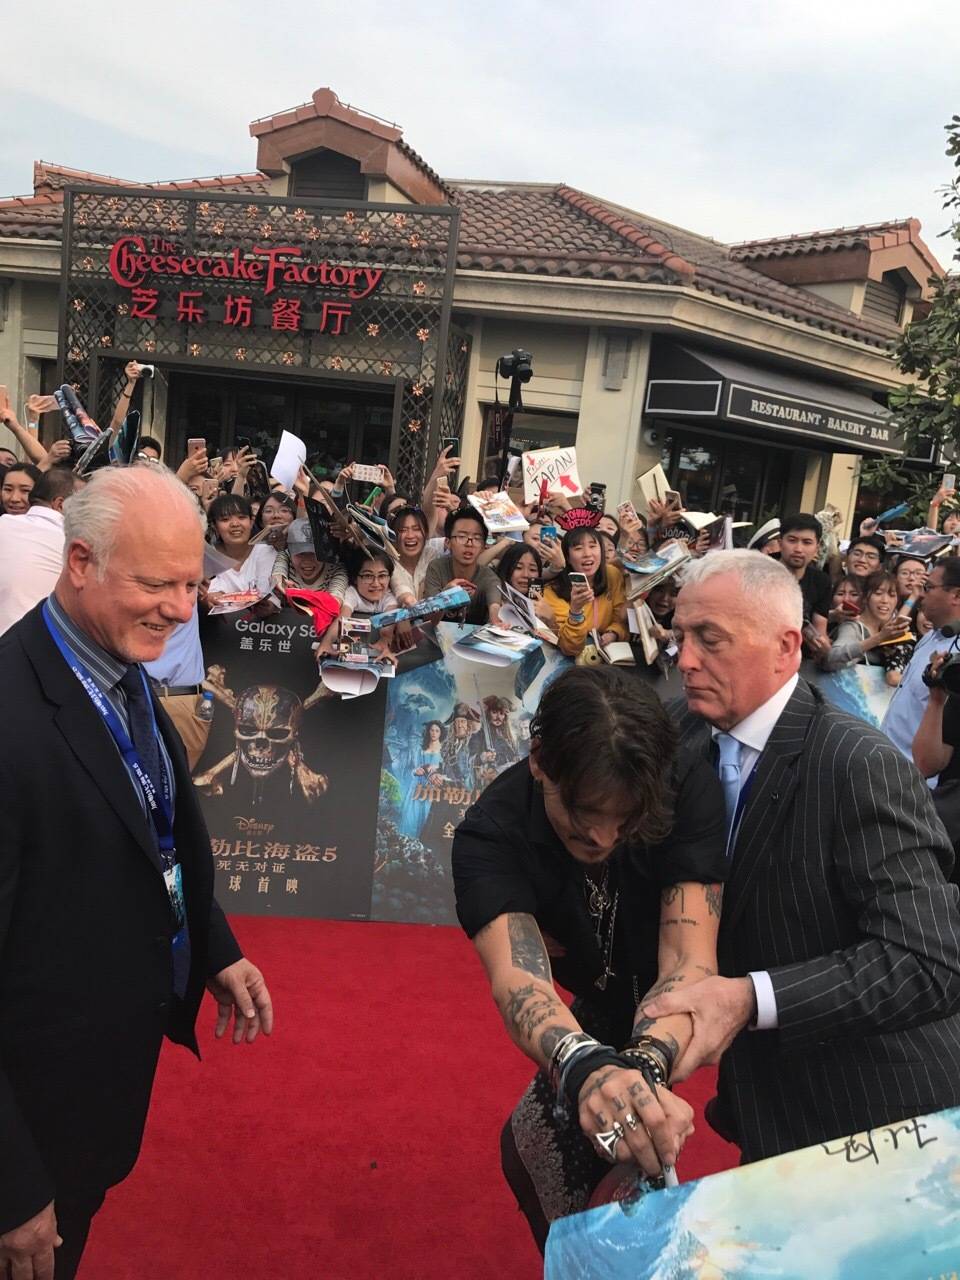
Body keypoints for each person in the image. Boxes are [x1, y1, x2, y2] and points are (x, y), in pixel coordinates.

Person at [0, 465, 272, 1280]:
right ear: (81, 562)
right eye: (156, 584)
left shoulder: (118, 668)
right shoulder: (11, 714)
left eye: (190, 584)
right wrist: (12, 1187)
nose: (181, 609)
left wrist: (212, 944)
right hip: (28, 1131)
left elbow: (152, 832)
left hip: (90, 1106)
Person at [638, 549, 960, 1167]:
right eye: (680, 636)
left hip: (882, 1116)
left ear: (786, 647)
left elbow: (929, 961)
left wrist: (750, 999)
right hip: (767, 1105)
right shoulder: (678, 728)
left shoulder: (856, 764)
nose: (686, 659)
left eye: (710, 639)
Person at [453, 666, 726, 1250]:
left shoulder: (683, 784)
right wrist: (588, 1069)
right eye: (583, 814)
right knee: (538, 1149)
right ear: (539, 761)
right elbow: (520, 983)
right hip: (604, 998)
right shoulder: (493, 833)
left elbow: (690, 960)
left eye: (625, 820)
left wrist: (645, 1064)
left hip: (726, 996)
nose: (603, 837)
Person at [882, 557, 960, 766]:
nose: (921, 593)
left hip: (916, 776)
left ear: (956, 595)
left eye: (929, 587)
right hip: (886, 761)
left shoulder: (956, 656)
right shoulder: (929, 638)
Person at [0, 467, 83, 636]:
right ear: (60, 505)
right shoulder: (73, 543)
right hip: (37, 642)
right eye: (84, 504)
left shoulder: (4, 524)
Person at [815, 569, 914, 685]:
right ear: (865, 598)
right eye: (878, 593)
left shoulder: (884, 630)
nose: (885, 600)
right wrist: (878, 639)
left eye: (892, 595)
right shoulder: (852, 627)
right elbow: (830, 659)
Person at [543, 527, 628, 657]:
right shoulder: (552, 591)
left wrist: (614, 633)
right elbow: (570, 647)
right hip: (571, 660)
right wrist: (576, 611)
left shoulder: (612, 575)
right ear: (567, 557)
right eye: (578, 548)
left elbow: (621, 620)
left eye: (593, 546)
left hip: (609, 654)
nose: (587, 554)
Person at [422, 508, 500, 625]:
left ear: (483, 546)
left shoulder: (489, 577)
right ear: (448, 542)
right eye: (462, 537)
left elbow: (495, 607)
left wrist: (496, 618)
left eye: (476, 538)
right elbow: (428, 620)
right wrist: (446, 595)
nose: (469, 543)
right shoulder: (436, 568)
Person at [204, 494, 277, 602]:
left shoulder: (266, 551)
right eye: (225, 519)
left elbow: (268, 594)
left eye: (241, 517)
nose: (235, 524)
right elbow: (207, 594)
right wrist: (207, 599)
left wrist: (268, 605)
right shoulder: (207, 556)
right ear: (215, 526)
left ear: (251, 522)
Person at [778, 514, 831, 635]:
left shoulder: (821, 582)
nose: (798, 549)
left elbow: (820, 628)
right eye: (792, 540)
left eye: (807, 542)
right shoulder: (760, 573)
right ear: (780, 543)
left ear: (817, 548)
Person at [397, 719, 445, 838]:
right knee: (411, 816)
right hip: (417, 787)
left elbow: (447, 771)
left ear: (441, 733)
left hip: (434, 788)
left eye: (437, 731)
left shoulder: (444, 750)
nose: (434, 733)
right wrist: (415, 771)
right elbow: (412, 768)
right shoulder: (421, 749)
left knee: (428, 817)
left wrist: (438, 773)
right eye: (432, 730)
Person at [490, 542, 555, 629]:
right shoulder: (493, 598)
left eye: (532, 569)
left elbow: (551, 636)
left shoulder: (542, 603)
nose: (526, 575)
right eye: (518, 568)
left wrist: (551, 619)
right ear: (506, 569)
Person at [389, 506, 444, 606]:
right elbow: (398, 585)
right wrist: (406, 598)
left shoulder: (433, 554)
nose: (410, 535)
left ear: (426, 533)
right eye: (403, 530)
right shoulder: (388, 560)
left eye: (416, 529)